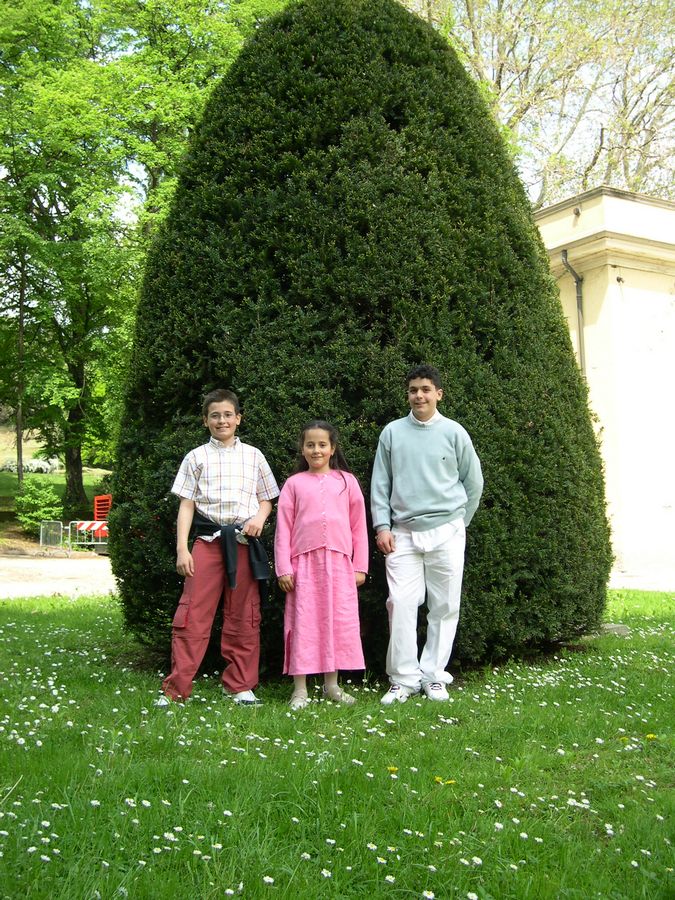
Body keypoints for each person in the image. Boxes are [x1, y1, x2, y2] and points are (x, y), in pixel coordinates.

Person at [156, 388, 280, 707]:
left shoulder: (254, 456)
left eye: (227, 415)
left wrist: (259, 519)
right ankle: (176, 689)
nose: (221, 420)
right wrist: (182, 549)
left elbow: (267, 498)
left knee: (244, 615)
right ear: (205, 421)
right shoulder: (196, 457)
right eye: (215, 415)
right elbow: (186, 505)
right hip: (207, 543)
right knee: (192, 615)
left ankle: (240, 686)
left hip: (243, 543)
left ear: (238, 418)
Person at [371, 364, 483, 705]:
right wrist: (382, 526)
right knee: (401, 603)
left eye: (425, 389)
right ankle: (403, 679)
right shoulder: (392, 433)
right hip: (403, 532)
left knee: (445, 605)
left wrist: (459, 523)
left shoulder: (454, 432)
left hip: (447, 530)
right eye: (413, 390)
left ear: (438, 394)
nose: (419, 395)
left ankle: (434, 676)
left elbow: (473, 482)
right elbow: (380, 483)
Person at [274, 420, 369, 709]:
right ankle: (300, 689)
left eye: (322, 445)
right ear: (302, 449)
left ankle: (332, 685)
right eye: (310, 445)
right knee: (303, 623)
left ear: (332, 448)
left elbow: (358, 526)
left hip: (340, 565)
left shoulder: (347, 482)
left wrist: (360, 566)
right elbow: (283, 528)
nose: (316, 450)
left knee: (336, 623)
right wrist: (283, 568)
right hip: (303, 565)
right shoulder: (293, 484)